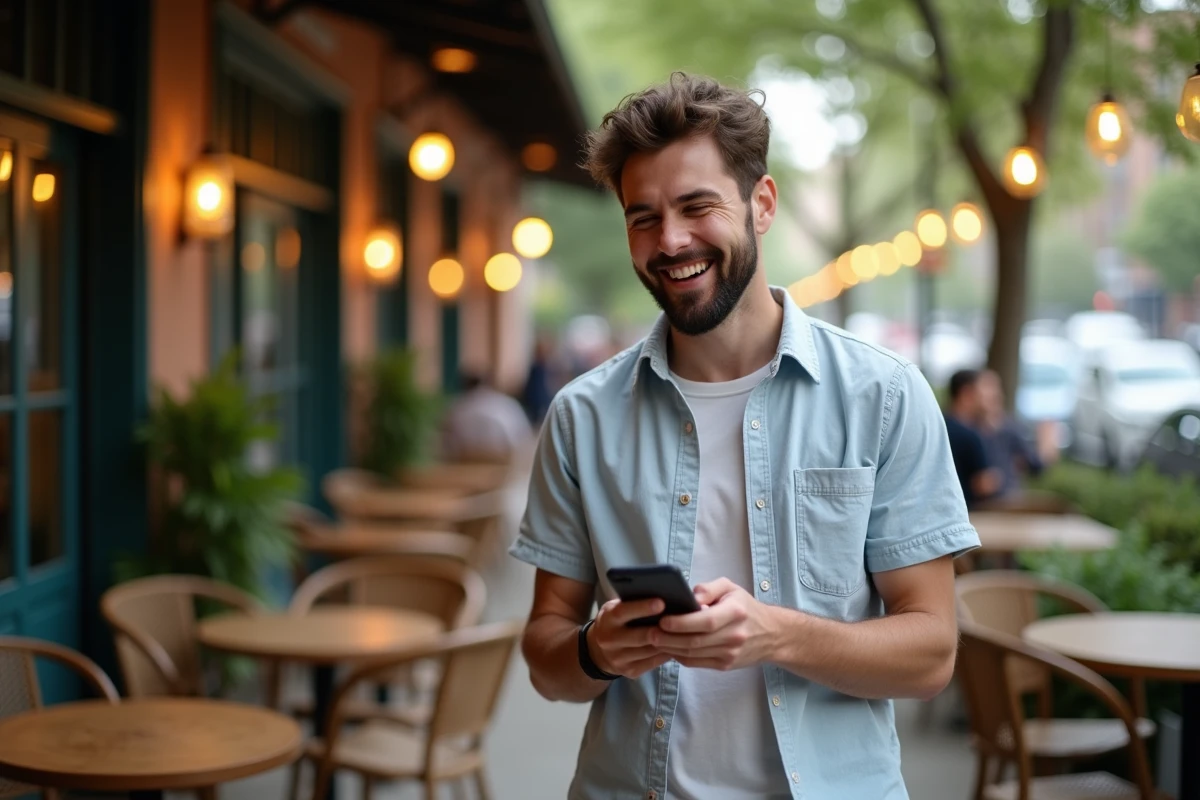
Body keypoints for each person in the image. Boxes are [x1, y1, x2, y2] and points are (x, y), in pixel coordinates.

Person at [509, 73, 980, 800]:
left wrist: (775, 635)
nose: (671, 240)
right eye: (643, 217)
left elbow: (930, 655)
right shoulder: (581, 417)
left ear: (761, 204)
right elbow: (547, 660)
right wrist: (595, 651)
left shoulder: (882, 395)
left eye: (697, 206)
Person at [977, 369, 1048, 496]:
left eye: (992, 388)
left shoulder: (1011, 428)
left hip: (1008, 498)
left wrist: (1046, 446)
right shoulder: (968, 428)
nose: (990, 394)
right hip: (978, 502)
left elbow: (1034, 465)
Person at [439, 371, 533, 464]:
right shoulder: (508, 405)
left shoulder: (456, 407)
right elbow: (524, 437)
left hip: (463, 464)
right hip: (502, 465)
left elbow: (445, 438)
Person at [944, 369, 1003, 509]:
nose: (988, 398)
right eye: (983, 391)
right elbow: (982, 484)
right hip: (965, 512)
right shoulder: (969, 436)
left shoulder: (938, 425)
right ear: (967, 393)